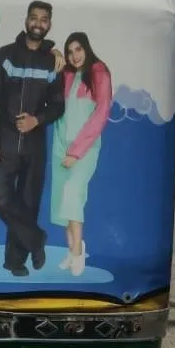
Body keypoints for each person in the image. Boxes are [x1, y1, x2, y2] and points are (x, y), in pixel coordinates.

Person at [0, 1, 66, 277]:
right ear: (26, 20)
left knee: (28, 203)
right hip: (5, 140)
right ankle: (36, 239)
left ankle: (15, 261)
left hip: (34, 144)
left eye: (44, 20)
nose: (38, 24)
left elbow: (58, 106)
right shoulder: (4, 56)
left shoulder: (53, 62)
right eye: (34, 18)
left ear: (49, 25)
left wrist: (37, 120)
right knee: (3, 202)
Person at [50, 32, 112, 277]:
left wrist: (75, 152)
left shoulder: (99, 73)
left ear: (87, 48)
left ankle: (77, 252)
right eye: (69, 51)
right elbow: (60, 116)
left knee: (73, 196)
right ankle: (71, 249)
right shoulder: (66, 74)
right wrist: (54, 53)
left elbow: (101, 113)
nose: (74, 55)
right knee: (62, 203)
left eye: (78, 49)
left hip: (84, 151)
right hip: (60, 149)